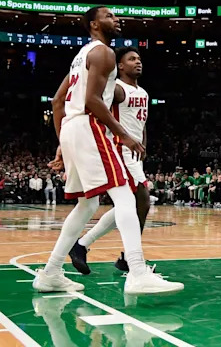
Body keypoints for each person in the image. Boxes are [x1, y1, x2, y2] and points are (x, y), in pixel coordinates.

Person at [35, 7, 181, 295]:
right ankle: (137, 272)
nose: (117, 20)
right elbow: (91, 100)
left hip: (72, 128)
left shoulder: (80, 57)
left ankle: (51, 271)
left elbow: (57, 102)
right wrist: (122, 134)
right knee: (125, 197)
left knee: (87, 205)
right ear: (94, 24)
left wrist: (63, 142)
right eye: (109, 16)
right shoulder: (103, 53)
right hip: (89, 126)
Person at [68, 48, 151, 274]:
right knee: (142, 200)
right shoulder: (116, 89)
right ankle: (129, 258)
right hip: (118, 148)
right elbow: (94, 102)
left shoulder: (143, 93)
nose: (137, 62)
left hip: (134, 153)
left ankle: (82, 245)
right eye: (132, 59)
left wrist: (143, 144)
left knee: (128, 205)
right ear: (120, 66)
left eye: (139, 59)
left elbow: (141, 123)